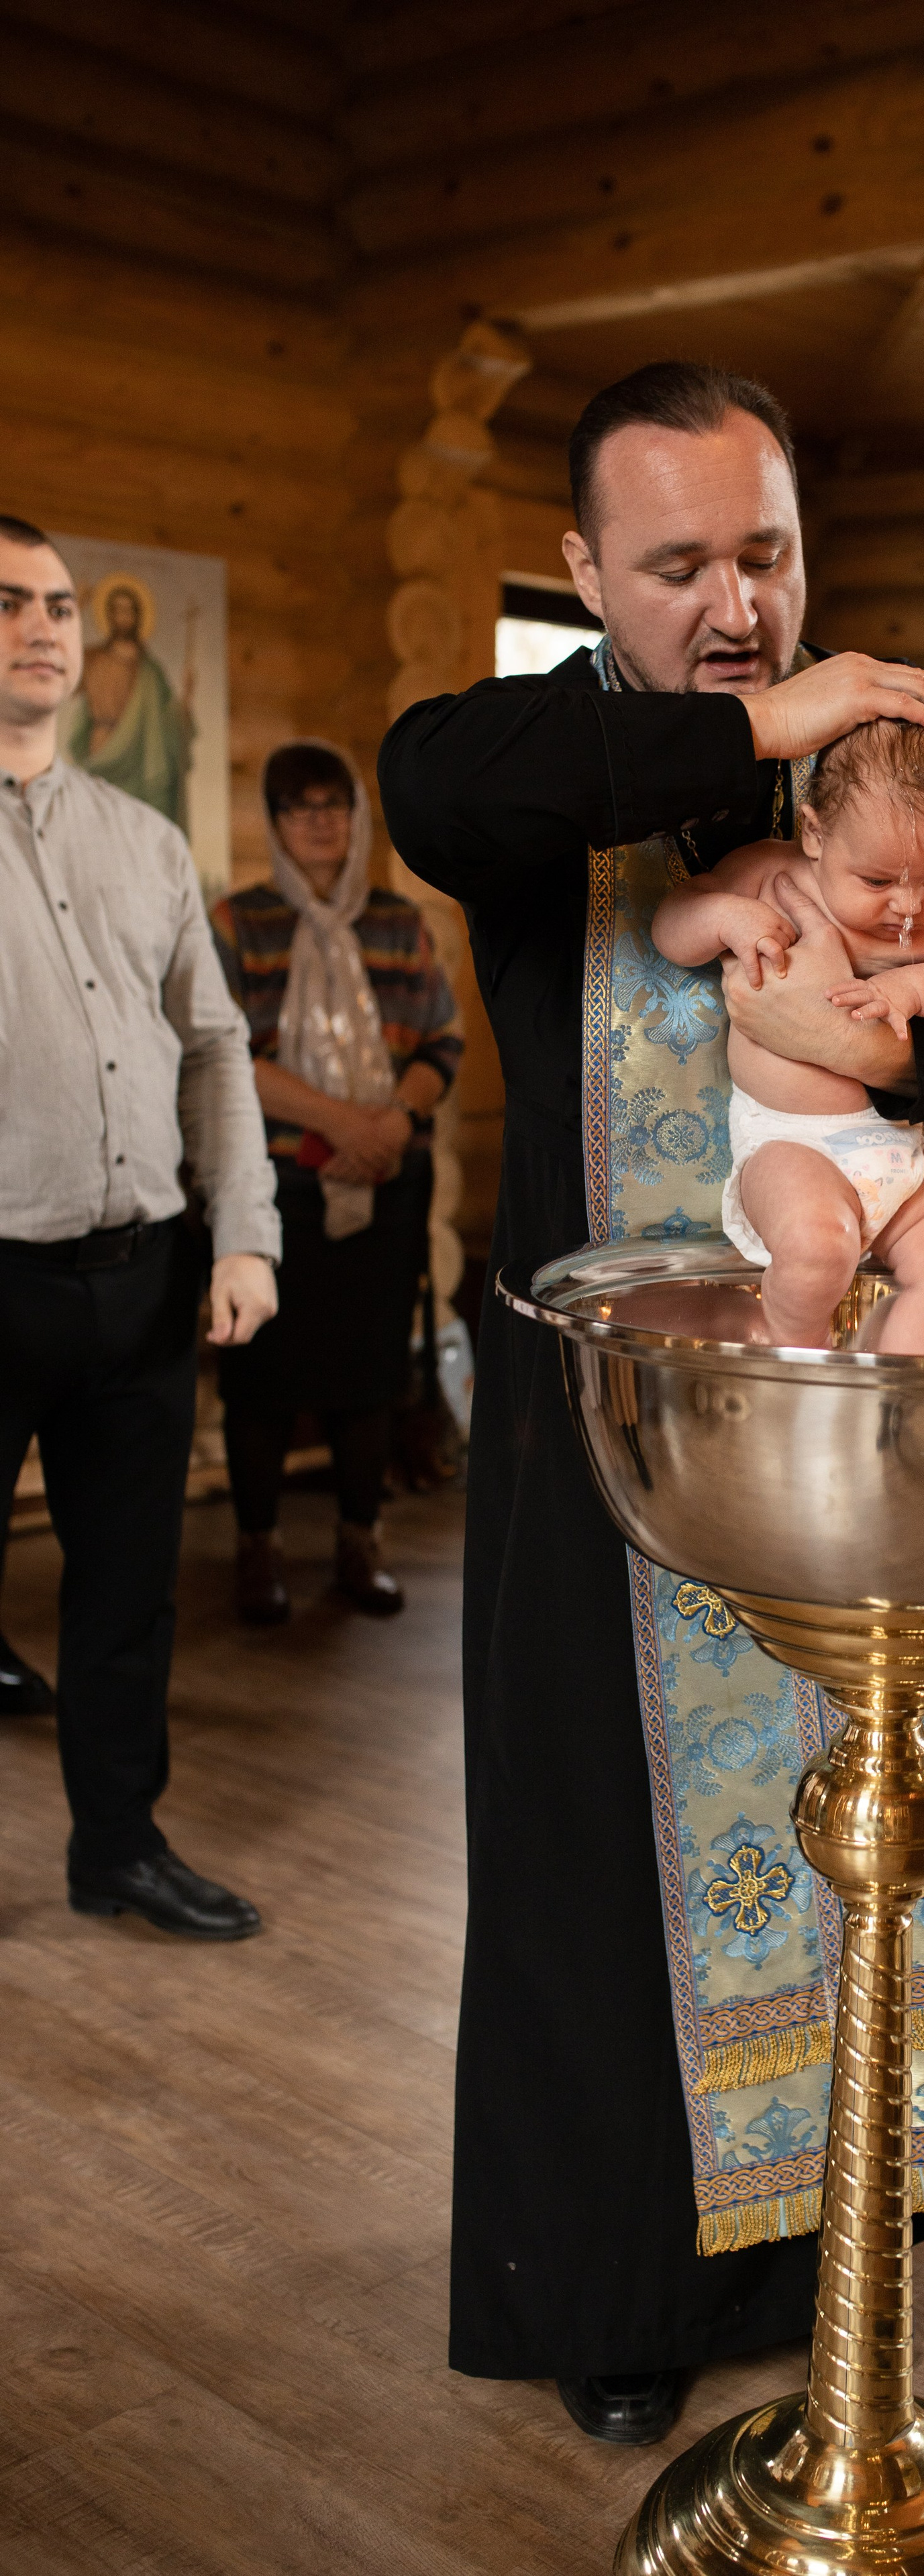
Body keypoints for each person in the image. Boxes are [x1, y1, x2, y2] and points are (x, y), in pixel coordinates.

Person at [377, 361, 924, 2447]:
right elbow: (437, 786)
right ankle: (610, 2289)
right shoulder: (546, 765)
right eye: (678, 563)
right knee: (593, 1858)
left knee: (858, 1829)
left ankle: (818, 2252)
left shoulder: (922, 761)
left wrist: (910, 1028)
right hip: (599, 1423)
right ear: (592, 571)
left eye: (764, 554)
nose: (737, 601)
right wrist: (753, 731)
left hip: (858, 1405)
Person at [0, 514, 279, 1941]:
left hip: (150, 1280)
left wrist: (245, 1238)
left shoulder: (148, 841)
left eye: (56, 602)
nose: (44, 625)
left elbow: (216, 1047)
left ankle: (118, 1847)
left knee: (123, 1597)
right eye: (9, 603)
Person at [210, 741, 462, 1623]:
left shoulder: (399, 923)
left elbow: (442, 1044)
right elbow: (225, 1055)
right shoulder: (237, 922)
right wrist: (342, 1122)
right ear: (276, 825)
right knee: (263, 1381)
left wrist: (390, 1123)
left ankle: (361, 1547)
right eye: (299, 806)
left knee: (369, 1375)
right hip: (278, 1188)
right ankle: (258, 1554)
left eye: (335, 805)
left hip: (387, 1180)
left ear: (356, 820)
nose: (320, 821)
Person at [652, 719, 924, 1351]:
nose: (909, 906)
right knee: (817, 1248)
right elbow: (672, 925)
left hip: (902, 1146)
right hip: (792, 1142)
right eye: (876, 881)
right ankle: (798, 1367)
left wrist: (916, 989)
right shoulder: (771, 874)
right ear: (815, 834)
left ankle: (899, 1397)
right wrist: (726, 915)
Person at [64, 573, 195, 830]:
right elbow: (61, 679)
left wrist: (187, 698)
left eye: (129, 611)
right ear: (109, 616)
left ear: (138, 617)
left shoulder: (150, 671)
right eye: (117, 611)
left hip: (143, 764)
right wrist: (73, 613)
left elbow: (169, 721)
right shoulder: (93, 659)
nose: (123, 617)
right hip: (102, 749)